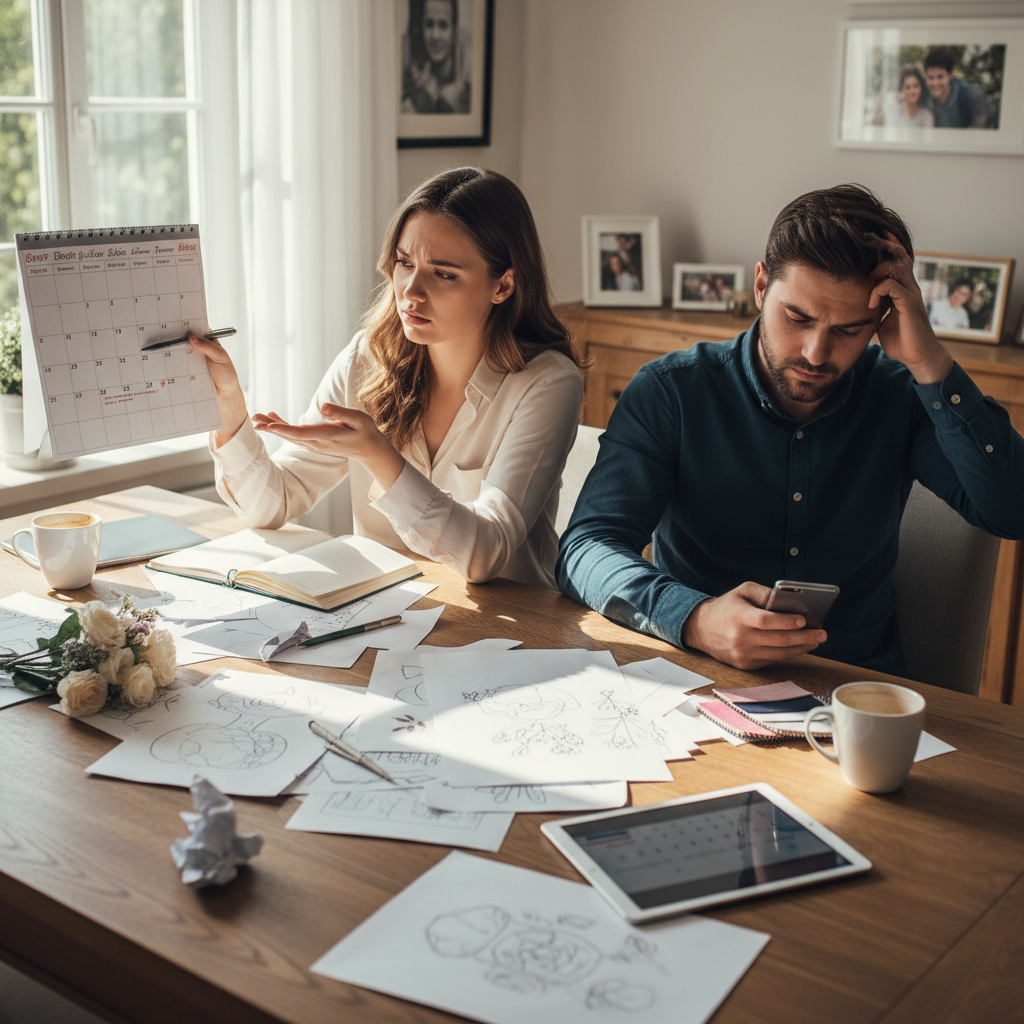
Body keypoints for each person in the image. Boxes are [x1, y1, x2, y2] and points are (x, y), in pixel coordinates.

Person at [557, 184, 1024, 676]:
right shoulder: (673, 391)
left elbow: (1012, 512)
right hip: (695, 677)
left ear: (882, 319)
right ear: (761, 287)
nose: (815, 352)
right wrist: (694, 618)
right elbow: (586, 546)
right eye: (797, 317)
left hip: (856, 688)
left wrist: (929, 360)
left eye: (848, 330)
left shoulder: (903, 395)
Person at [193, 167, 584, 591]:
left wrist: (378, 455)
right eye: (404, 263)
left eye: (444, 273)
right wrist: (229, 403)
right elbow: (272, 505)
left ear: (503, 285)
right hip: (388, 617)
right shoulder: (367, 359)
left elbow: (485, 554)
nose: (411, 291)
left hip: (515, 630)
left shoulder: (548, 384)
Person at [401, 0, 470, 114]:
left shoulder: (466, 90)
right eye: (429, 24)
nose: (435, 35)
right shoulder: (410, 84)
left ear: (454, 32)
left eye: (443, 25)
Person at [923, 48, 990, 129]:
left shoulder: (970, 96)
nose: (935, 83)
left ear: (950, 75)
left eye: (940, 77)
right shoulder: (924, 97)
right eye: (930, 77)